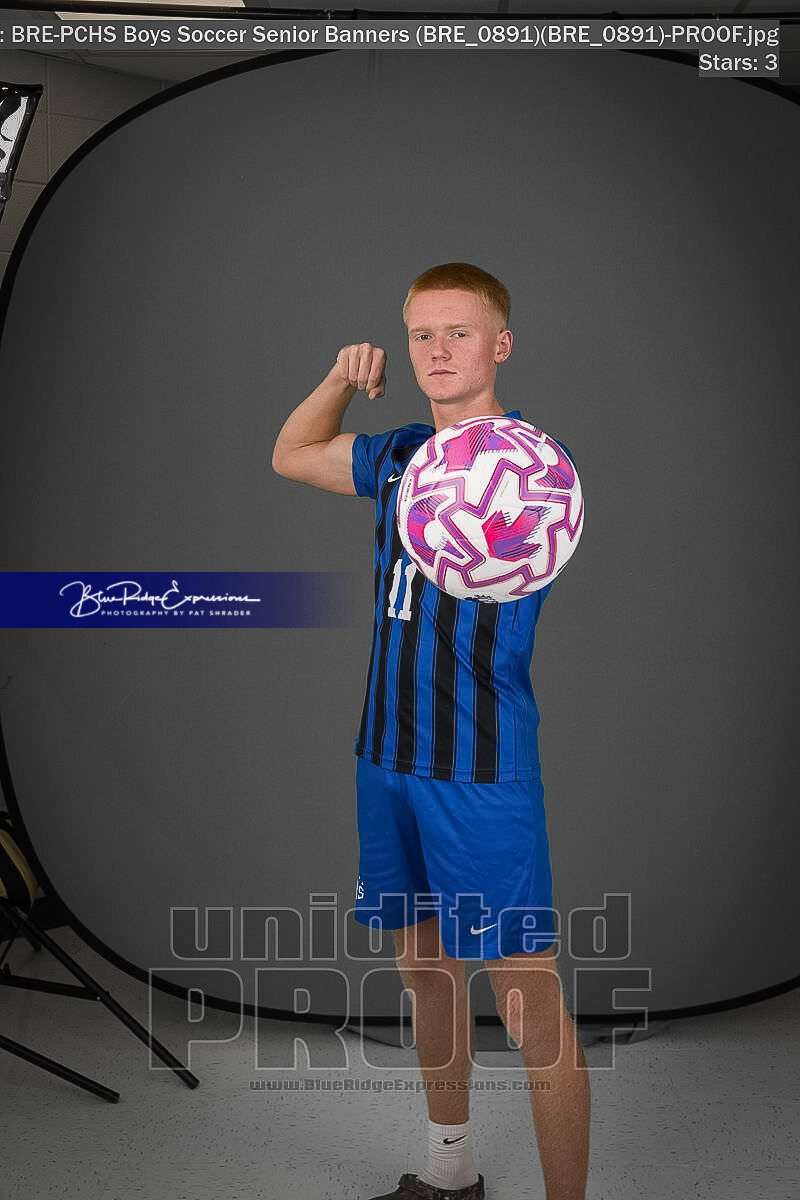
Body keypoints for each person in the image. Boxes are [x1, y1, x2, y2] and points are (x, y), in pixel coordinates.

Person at [272, 263, 590, 1200]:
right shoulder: (401, 453)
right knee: (426, 973)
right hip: (387, 756)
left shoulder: (531, 467)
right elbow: (292, 453)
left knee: (528, 1007)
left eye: (460, 332)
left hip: (480, 767)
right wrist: (340, 377)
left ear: (501, 345)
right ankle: (451, 1172)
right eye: (422, 334)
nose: (438, 350)